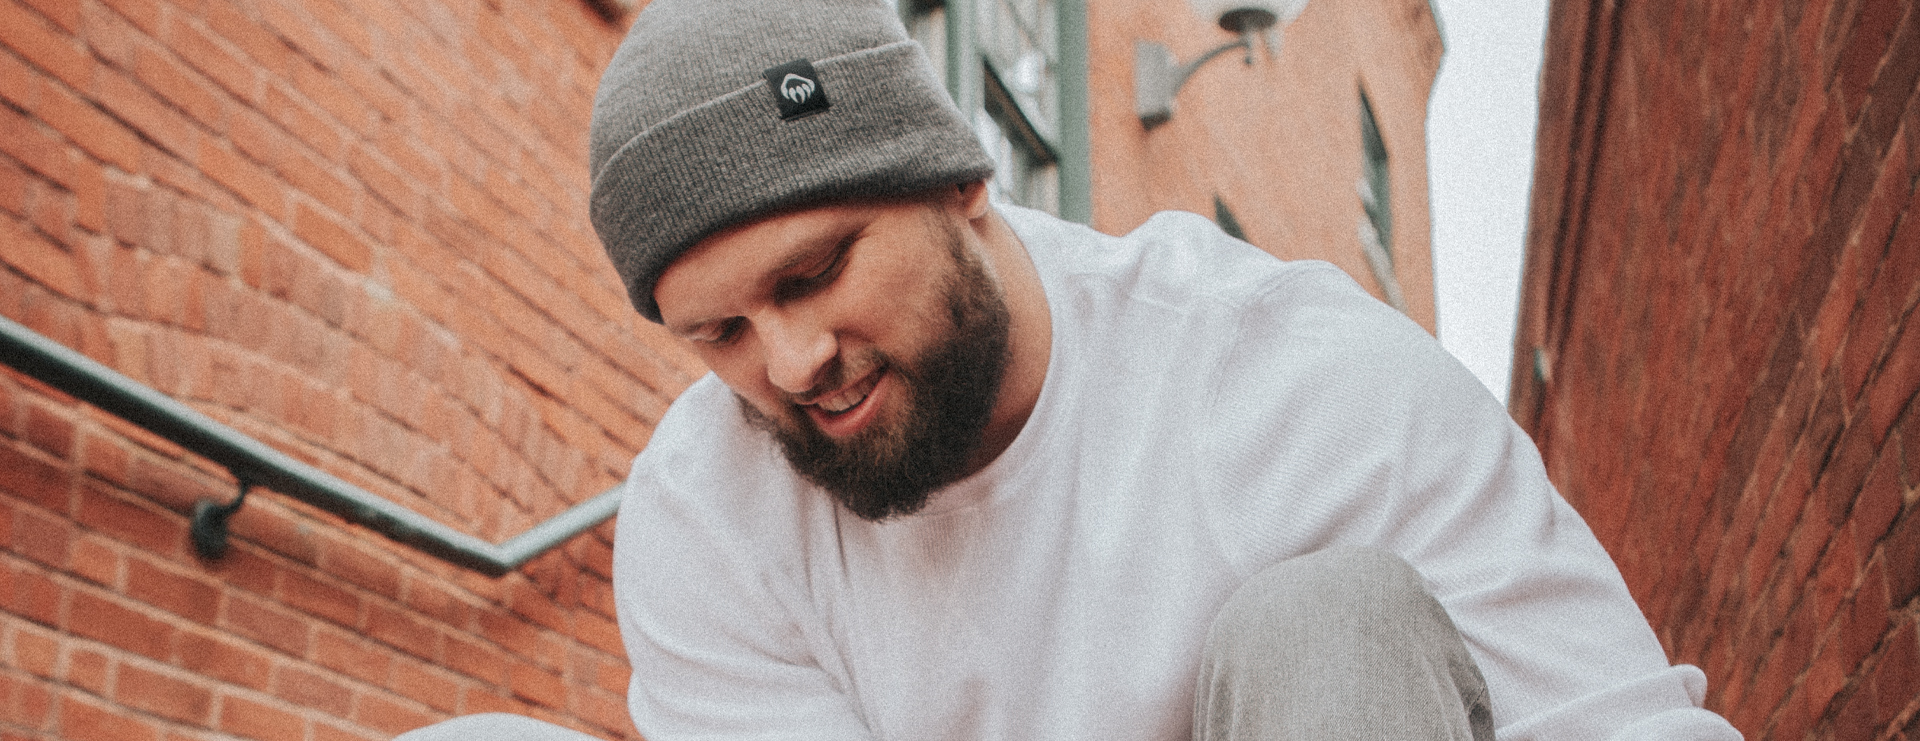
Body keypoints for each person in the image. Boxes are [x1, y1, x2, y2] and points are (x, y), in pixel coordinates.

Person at [409, 0, 1744, 738]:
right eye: (721, 334)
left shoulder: (1293, 376)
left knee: (1323, 623)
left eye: (815, 273)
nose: (792, 359)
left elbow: (1615, 723)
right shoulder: (706, 512)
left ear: (960, 184)